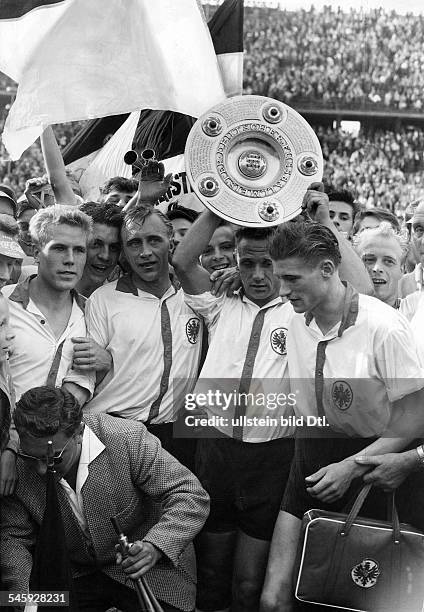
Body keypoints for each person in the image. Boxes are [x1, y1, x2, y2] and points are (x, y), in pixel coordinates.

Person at [172, 184, 372, 612]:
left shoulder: (303, 308)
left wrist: (320, 224)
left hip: (273, 456)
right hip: (215, 448)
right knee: (209, 572)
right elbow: (182, 259)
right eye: (248, 264)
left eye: (268, 265)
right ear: (234, 262)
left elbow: (364, 289)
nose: (258, 275)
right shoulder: (219, 301)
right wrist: (219, 199)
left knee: (248, 584)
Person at [260, 218, 424, 612]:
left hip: (370, 467)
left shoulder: (384, 327)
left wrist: (352, 466)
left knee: (351, 600)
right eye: (279, 277)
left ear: (328, 270)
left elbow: (415, 415)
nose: (283, 291)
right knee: (274, 599)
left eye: (293, 279)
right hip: (309, 458)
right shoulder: (290, 315)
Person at [0, 385, 210, 612]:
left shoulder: (128, 439)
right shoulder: (17, 465)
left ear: (79, 432)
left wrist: (155, 546)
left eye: (54, 458)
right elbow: (13, 537)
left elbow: (190, 495)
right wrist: (25, 600)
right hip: (74, 574)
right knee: (10, 603)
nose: (41, 470)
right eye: (32, 458)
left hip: (149, 570)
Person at [84, 206, 203, 468]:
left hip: (178, 437)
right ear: (124, 252)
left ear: (171, 243)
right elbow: (86, 374)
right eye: (134, 243)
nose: (145, 252)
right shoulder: (103, 300)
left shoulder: (196, 298)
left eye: (154, 240)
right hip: (113, 432)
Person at [2, 205, 95, 406]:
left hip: (60, 434)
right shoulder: (4, 304)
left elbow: (87, 377)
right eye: (59, 248)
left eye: (79, 250)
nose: (70, 260)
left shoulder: (93, 313)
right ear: (36, 253)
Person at [354, 221, 406, 308]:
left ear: (402, 270)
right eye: (369, 260)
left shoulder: (415, 315)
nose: (377, 268)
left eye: (389, 261)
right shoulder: (337, 316)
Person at [76, 202, 123, 298]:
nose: (105, 256)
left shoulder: (121, 300)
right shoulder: (47, 289)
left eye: (114, 248)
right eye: (96, 244)